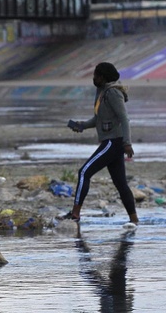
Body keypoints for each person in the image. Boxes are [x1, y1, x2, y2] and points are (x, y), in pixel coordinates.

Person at [64, 62, 138, 227]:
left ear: (103, 77)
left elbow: (124, 118)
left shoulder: (113, 93)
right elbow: (99, 119)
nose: (94, 78)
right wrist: (81, 125)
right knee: (121, 184)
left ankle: (75, 214)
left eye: (96, 75)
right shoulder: (101, 92)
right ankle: (134, 221)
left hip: (113, 142)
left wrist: (127, 143)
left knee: (84, 172)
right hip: (111, 142)